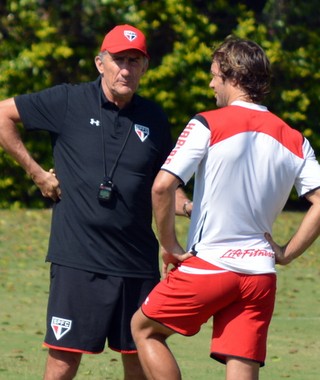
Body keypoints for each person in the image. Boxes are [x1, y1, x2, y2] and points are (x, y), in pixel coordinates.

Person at [0, 24, 192, 380]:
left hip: (136, 262)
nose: (126, 69)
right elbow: (2, 115)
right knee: (62, 364)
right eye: (119, 60)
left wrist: (188, 207)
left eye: (135, 61)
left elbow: (164, 186)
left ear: (145, 67)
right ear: (99, 63)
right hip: (79, 259)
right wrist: (36, 172)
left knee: (139, 358)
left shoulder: (154, 118)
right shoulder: (68, 100)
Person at [131, 36, 320, 380]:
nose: (210, 82)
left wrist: (170, 246)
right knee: (241, 360)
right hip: (260, 275)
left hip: (211, 265)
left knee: (144, 329)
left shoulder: (207, 122)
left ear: (232, 76)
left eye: (214, 74)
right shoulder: (294, 137)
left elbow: (161, 186)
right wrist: (288, 253)